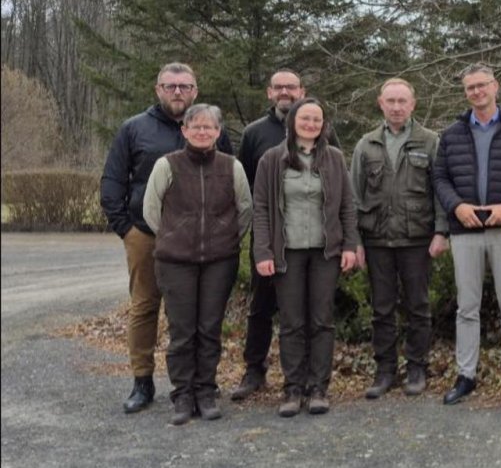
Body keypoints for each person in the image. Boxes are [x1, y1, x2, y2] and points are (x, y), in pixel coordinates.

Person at [100, 62, 233, 414]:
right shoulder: (134, 129)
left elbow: (231, 183)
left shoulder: (212, 128)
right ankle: (142, 382)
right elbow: (113, 181)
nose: (178, 92)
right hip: (146, 235)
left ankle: (202, 385)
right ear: (158, 89)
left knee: (199, 314)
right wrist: (126, 229)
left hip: (201, 241)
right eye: (171, 86)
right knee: (145, 307)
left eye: (185, 86)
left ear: (195, 91)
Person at [432, 63, 501, 405]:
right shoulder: (451, 134)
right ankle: (466, 375)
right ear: (465, 93)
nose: (477, 92)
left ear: (495, 86)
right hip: (464, 229)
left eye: (482, 85)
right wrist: (457, 207)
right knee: (467, 307)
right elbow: (439, 178)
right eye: (470, 88)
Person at [231, 69, 339, 401]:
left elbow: (338, 191)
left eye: (291, 87)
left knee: (316, 314)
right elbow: (250, 190)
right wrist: (260, 243)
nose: (284, 92)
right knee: (262, 306)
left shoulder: (327, 139)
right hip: (273, 240)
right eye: (278, 87)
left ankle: (314, 381)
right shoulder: (255, 135)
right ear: (269, 93)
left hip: (317, 246)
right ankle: (255, 370)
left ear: (301, 91)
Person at [141, 104, 252, 425]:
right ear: (184, 130)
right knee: (182, 331)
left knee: (209, 329)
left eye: (209, 127)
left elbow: (244, 210)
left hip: (220, 261)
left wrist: (225, 238)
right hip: (176, 262)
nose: (202, 131)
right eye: (196, 126)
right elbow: (151, 210)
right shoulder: (167, 165)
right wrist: (173, 236)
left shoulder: (232, 167)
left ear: (218, 132)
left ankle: (205, 391)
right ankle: (182, 395)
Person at [251, 98, 361, 417]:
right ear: (293, 122)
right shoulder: (272, 159)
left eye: (317, 120)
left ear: (324, 125)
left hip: (326, 252)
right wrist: (263, 251)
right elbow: (261, 209)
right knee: (291, 322)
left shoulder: (336, 159)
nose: (311, 124)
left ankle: (318, 388)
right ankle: (293, 388)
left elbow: (347, 207)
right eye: (305, 119)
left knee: (321, 320)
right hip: (287, 253)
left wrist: (350, 246)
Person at [352, 78, 449, 400]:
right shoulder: (366, 144)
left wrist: (440, 231)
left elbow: (441, 190)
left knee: (418, 306)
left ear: (413, 104)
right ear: (380, 103)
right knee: (381, 309)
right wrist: (356, 241)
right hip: (377, 238)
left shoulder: (431, 141)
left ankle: (417, 368)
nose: (396, 107)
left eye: (402, 101)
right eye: (390, 101)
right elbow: (354, 196)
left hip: (417, 238)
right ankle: (385, 370)